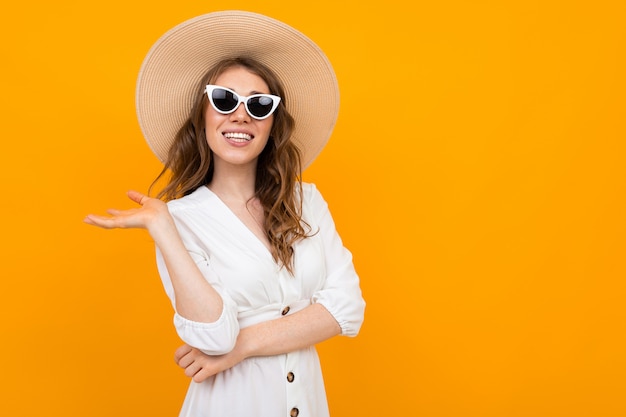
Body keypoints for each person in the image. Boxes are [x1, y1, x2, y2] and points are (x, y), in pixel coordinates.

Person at [84, 10, 365, 417]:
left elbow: (347, 308)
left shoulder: (306, 200)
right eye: (224, 99)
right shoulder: (179, 219)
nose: (241, 114)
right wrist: (164, 229)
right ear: (203, 115)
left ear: (272, 122)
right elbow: (214, 336)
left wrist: (242, 345)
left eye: (260, 104)